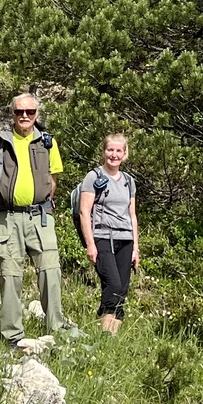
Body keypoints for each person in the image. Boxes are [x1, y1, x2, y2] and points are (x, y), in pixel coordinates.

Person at [0, 92, 69, 346]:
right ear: (12, 114)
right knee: (9, 276)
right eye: (19, 112)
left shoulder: (47, 142)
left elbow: (53, 178)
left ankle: (56, 330)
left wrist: (40, 200)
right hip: (7, 218)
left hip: (40, 217)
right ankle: (13, 336)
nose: (24, 116)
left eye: (29, 112)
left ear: (36, 115)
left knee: (50, 272)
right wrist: (0, 202)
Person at [76, 133, 139, 334]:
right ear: (104, 151)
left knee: (121, 290)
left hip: (125, 239)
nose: (114, 155)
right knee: (112, 284)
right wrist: (90, 244)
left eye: (118, 150)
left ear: (125, 153)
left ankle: (111, 338)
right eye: (110, 150)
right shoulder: (94, 177)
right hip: (103, 237)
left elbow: (132, 215)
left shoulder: (129, 181)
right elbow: (84, 211)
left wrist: (136, 248)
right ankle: (104, 333)